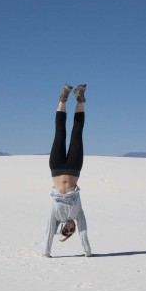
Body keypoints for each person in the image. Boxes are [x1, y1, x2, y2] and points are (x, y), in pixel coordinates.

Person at [43, 84, 92, 258]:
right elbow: (84, 231)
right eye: (71, 231)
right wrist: (87, 251)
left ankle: (62, 99)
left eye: (66, 230)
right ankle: (80, 98)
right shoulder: (78, 214)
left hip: (56, 168)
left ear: (63, 227)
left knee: (60, 133)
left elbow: (49, 232)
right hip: (74, 168)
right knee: (77, 133)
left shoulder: (55, 216)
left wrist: (46, 252)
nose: (70, 228)